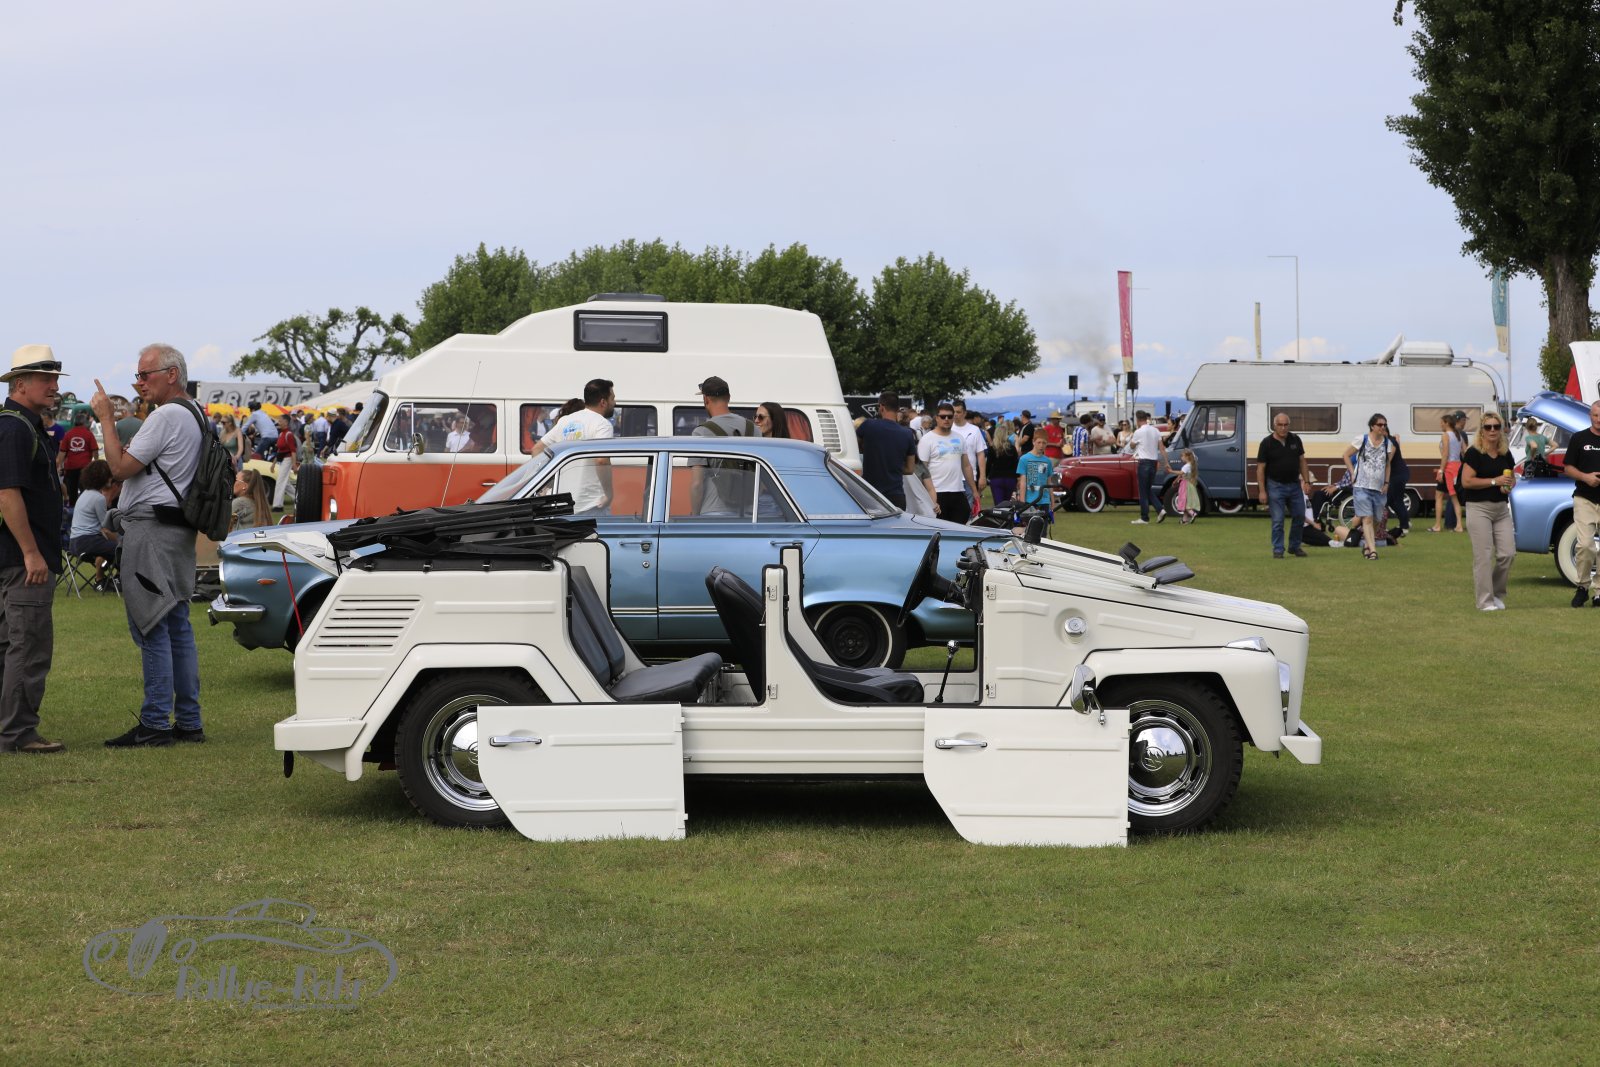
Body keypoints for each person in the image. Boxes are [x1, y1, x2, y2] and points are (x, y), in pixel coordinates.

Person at [91, 343, 206, 748]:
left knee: (151, 623)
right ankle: (188, 721)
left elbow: (119, 467)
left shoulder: (166, 415)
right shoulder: (195, 413)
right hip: (177, 529)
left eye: (145, 374)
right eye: (137, 376)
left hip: (151, 531)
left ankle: (156, 721)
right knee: (177, 625)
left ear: (171, 375)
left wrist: (107, 419)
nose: (139, 383)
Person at [0, 345, 67, 755]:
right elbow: (7, 494)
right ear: (20, 384)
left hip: (12, 557)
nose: (54, 386)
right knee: (28, 646)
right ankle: (18, 733)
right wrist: (31, 552)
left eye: (55, 378)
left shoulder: (24, 425)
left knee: (12, 645)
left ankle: (10, 729)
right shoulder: (15, 428)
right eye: (46, 379)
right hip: (21, 560)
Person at [529, 378, 617, 513]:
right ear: (603, 402)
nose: (615, 403)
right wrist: (609, 494)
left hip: (563, 503)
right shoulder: (602, 425)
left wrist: (547, 484)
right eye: (612, 398)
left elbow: (537, 449)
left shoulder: (566, 421)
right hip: (591, 503)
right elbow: (601, 460)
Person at [1459, 414, 1516, 611]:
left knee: (1508, 554)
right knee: (1483, 555)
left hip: (1501, 509)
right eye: (1488, 427)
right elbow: (1466, 481)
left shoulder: (1505, 453)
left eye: (1496, 426)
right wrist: (1494, 481)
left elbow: (1512, 479)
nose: (1492, 430)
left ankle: (1497, 594)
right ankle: (1484, 602)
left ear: (1501, 429)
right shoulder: (1474, 453)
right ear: (1481, 430)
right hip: (1478, 508)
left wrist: (1508, 485)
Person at [689, 376, 760, 516]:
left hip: (714, 511)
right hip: (749, 512)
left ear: (706, 399)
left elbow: (697, 484)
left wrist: (695, 515)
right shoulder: (753, 429)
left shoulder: (701, 432)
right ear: (728, 397)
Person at [1340, 413, 1395, 560]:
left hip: (1379, 488)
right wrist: (1352, 473)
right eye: (1380, 425)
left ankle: (1367, 546)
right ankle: (1373, 550)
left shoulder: (1387, 443)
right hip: (1361, 486)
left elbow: (1387, 465)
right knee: (1367, 519)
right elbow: (1346, 455)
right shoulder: (1362, 439)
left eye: (1385, 425)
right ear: (1372, 426)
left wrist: (1387, 483)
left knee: (1376, 519)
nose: (1383, 427)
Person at [1258, 412, 1312, 557]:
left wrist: (1306, 481)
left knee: (1299, 516)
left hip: (1294, 485)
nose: (1283, 428)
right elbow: (1260, 468)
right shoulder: (1266, 443)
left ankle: (1294, 546)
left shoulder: (1295, 439)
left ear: (1289, 425)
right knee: (1278, 520)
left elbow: (1302, 461)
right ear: (1274, 426)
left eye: (1286, 425)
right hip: (1275, 486)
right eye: (1280, 425)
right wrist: (1262, 491)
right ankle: (1278, 549)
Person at [1562, 399, 1600, 608]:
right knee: (1585, 545)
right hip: (1585, 498)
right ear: (1590, 416)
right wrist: (1586, 477)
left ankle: (1599, 593)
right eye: (1595, 415)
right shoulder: (1579, 438)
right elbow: (1568, 468)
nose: (1599, 419)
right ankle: (1582, 587)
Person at [917, 402, 978, 522]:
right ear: (936, 418)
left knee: (961, 527)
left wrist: (974, 491)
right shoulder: (927, 440)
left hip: (958, 491)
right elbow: (921, 471)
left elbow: (966, 466)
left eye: (950, 416)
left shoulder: (959, 438)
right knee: (940, 530)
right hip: (937, 492)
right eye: (943, 416)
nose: (946, 419)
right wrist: (928, 498)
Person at [856, 391, 916, 510]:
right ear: (897, 409)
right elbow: (910, 469)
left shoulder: (868, 425)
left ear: (881, 407)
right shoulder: (907, 434)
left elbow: (855, 447)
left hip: (870, 492)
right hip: (896, 495)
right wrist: (892, 468)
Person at [69, 459, 120, 588]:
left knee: (107, 551)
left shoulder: (84, 495)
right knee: (123, 549)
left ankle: (100, 579)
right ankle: (118, 579)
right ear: (104, 478)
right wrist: (120, 540)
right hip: (88, 542)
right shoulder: (99, 498)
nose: (111, 479)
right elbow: (106, 528)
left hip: (74, 543)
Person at [1128, 411, 1168, 525]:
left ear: (1137, 420)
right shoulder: (1156, 430)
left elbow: (1132, 446)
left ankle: (1145, 517)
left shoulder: (1138, 432)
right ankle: (1160, 509)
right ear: (1146, 419)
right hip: (1153, 462)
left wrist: (1133, 439)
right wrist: (1166, 462)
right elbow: (1162, 448)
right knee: (1147, 489)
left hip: (1143, 462)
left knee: (1143, 491)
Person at [950, 401, 987, 510]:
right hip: (950, 477)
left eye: (958, 412)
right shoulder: (948, 429)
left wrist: (982, 476)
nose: (955, 414)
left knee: (968, 509)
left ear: (964, 413)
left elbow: (980, 454)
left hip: (969, 477)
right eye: (953, 412)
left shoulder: (974, 430)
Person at [58, 409, 98, 503]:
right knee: (85, 490)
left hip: (70, 467)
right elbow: (95, 450)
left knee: (72, 491)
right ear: (85, 423)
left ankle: (72, 507)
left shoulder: (68, 434)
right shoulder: (89, 434)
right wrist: (96, 463)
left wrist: (59, 465)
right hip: (85, 466)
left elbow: (62, 452)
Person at [1017, 429, 1054, 510]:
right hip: (1029, 500)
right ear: (1033, 442)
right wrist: (1022, 502)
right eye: (1039, 442)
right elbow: (1023, 482)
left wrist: (1052, 502)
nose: (1041, 445)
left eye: (1044, 443)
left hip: (1044, 500)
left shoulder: (1048, 461)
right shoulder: (1024, 459)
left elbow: (1049, 483)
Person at [988, 419, 1019, 507]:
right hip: (1010, 478)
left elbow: (988, 464)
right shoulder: (1012, 448)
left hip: (996, 478)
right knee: (1007, 503)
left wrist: (985, 476)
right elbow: (1016, 464)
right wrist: (1017, 477)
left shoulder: (992, 449)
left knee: (998, 505)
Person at [270, 416, 299, 510]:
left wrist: (294, 464)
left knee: (280, 482)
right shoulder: (282, 434)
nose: (278, 422)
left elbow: (293, 451)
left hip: (288, 459)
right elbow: (279, 450)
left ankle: (278, 505)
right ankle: (299, 498)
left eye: (280, 421)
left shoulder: (288, 434)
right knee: (285, 483)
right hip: (283, 460)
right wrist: (273, 463)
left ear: (286, 422)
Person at [1175, 449, 1200, 524]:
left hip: (1185, 485)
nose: (1181, 458)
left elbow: (1181, 473)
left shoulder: (1186, 466)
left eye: (1182, 456)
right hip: (1189, 485)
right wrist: (1176, 480)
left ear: (1187, 457)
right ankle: (1184, 520)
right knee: (1186, 501)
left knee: (1184, 501)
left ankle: (1192, 513)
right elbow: (1181, 475)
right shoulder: (1190, 465)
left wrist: (1171, 471)